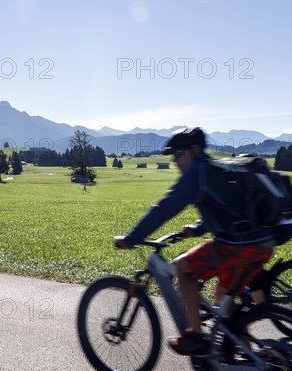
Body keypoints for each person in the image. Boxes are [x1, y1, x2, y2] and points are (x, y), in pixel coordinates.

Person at [114, 127, 277, 356]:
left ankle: (195, 336)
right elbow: (226, 212)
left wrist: (132, 239)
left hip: (237, 246)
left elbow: (164, 208)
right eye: (173, 156)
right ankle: (245, 354)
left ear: (194, 150)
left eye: (179, 154)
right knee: (222, 296)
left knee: (182, 267)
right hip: (261, 244)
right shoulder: (217, 169)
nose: (175, 161)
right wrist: (198, 228)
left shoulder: (197, 173)